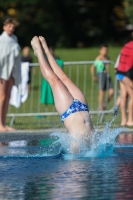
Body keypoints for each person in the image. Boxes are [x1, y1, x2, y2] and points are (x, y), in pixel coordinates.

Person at [31, 36, 94, 153]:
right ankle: (44, 50)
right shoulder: (80, 152)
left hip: (69, 111)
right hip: (82, 107)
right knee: (64, 78)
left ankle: (40, 52)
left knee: (55, 79)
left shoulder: (74, 152)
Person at [0, 18, 21, 132]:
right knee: (2, 97)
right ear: (4, 27)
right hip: (2, 72)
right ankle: (0, 124)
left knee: (7, 97)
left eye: (13, 27)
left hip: (11, 71)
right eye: (9, 26)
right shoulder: (1, 39)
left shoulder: (14, 39)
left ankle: (3, 123)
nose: (11, 28)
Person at [116, 33, 133, 126]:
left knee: (124, 96)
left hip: (119, 73)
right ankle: (130, 120)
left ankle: (123, 121)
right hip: (127, 74)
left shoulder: (127, 45)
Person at [90, 44, 114, 110]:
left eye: (106, 50)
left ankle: (105, 104)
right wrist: (93, 76)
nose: (105, 51)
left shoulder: (107, 57)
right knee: (102, 92)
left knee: (112, 91)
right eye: (103, 50)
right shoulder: (99, 58)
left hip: (107, 75)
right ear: (100, 50)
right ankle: (101, 108)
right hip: (101, 75)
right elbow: (93, 67)